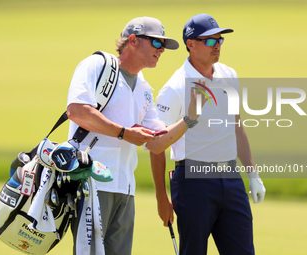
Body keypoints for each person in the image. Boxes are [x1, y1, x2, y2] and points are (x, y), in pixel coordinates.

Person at [66, 16, 204, 255]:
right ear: (132, 40)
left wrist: (189, 119)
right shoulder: (96, 65)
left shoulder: (144, 89)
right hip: (90, 183)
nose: (161, 50)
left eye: (164, 46)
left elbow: (156, 143)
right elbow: (77, 111)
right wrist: (123, 133)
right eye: (156, 43)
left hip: (125, 189)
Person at [154, 13, 266, 255]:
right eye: (210, 41)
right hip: (193, 181)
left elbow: (237, 127)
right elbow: (156, 145)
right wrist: (161, 197)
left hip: (230, 176)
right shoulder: (175, 87)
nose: (217, 46)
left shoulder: (229, 75)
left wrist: (252, 173)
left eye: (219, 40)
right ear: (190, 44)